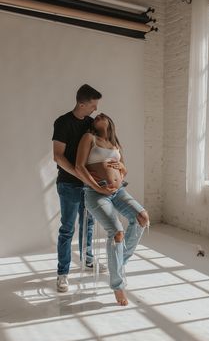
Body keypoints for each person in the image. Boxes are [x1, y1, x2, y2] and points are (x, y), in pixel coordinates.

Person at [75, 113, 150, 306]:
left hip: (119, 191)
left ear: (110, 122)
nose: (99, 114)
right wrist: (97, 187)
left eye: (103, 113)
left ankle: (118, 261)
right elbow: (79, 167)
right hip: (96, 192)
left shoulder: (115, 143)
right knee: (117, 233)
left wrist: (122, 167)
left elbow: (123, 170)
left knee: (142, 217)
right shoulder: (89, 138)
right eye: (96, 114)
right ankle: (118, 285)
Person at [52, 84, 106, 293]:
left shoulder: (92, 124)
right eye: (92, 105)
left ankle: (88, 260)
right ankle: (62, 273)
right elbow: (58, 156)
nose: (95, 109)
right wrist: (80, 174)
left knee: (89, 224)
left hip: (88, 184)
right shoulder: (63, 122)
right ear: (81, 103)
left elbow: (98, 150)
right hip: (68, 184)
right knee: (67, 229)